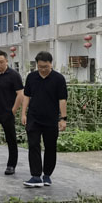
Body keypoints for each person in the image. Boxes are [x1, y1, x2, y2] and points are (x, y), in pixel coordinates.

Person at [21, 51, 68, 188]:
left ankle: (47, 175)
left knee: (50, 147)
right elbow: (26, 96)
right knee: (33, 145)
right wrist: (23, 113)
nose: (43, 69)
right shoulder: (31, 77)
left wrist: (63, 118)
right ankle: (36, 176)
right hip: (33, 117)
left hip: (51, 118)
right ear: (37, 65)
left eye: (45, 67)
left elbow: (62, 99)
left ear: (51, 64)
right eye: (40, 67)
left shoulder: (58, 79)